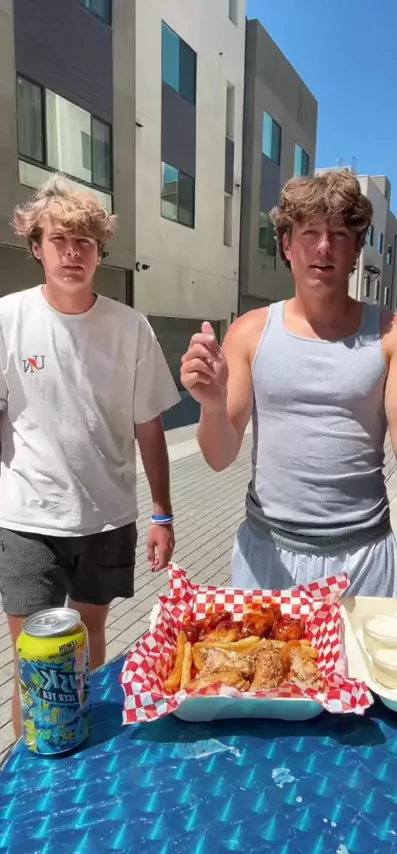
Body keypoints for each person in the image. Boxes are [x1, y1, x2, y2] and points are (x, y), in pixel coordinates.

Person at [181, 171, 397, 597]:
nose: (323, 247)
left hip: (362, 558)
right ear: (286, 245)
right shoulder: (249, 333)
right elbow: (220, 456)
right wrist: (211, 404)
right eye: (309, 232)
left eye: (339, 234)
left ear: (357, 248)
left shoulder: (394, 334)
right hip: (268, 552)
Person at [0, 176, 179, 737]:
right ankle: (33, 766)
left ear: (100, 252)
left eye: (85, 241)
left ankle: (84, 751)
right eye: (59, 239)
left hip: (107, 516)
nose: (72, 252)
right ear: (37, 248)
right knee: (34, 659)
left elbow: (149, 424)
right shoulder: (8, 318)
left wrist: (163, 513)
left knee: (88, 637)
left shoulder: (130, 327)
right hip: (27, 520)